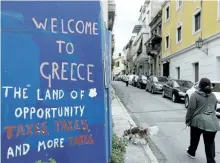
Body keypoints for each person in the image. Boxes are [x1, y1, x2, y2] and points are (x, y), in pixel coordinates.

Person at [185, 78, 220, 163]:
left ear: (199, 85)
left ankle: (191, 152)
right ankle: (211, 160)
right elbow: (214, 109)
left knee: (194, 138)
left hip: (198, 121)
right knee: (210, 142)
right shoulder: (213, 96)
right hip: (213, 123)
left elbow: (191, 109)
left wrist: (187, 120)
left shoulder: (195, 95)